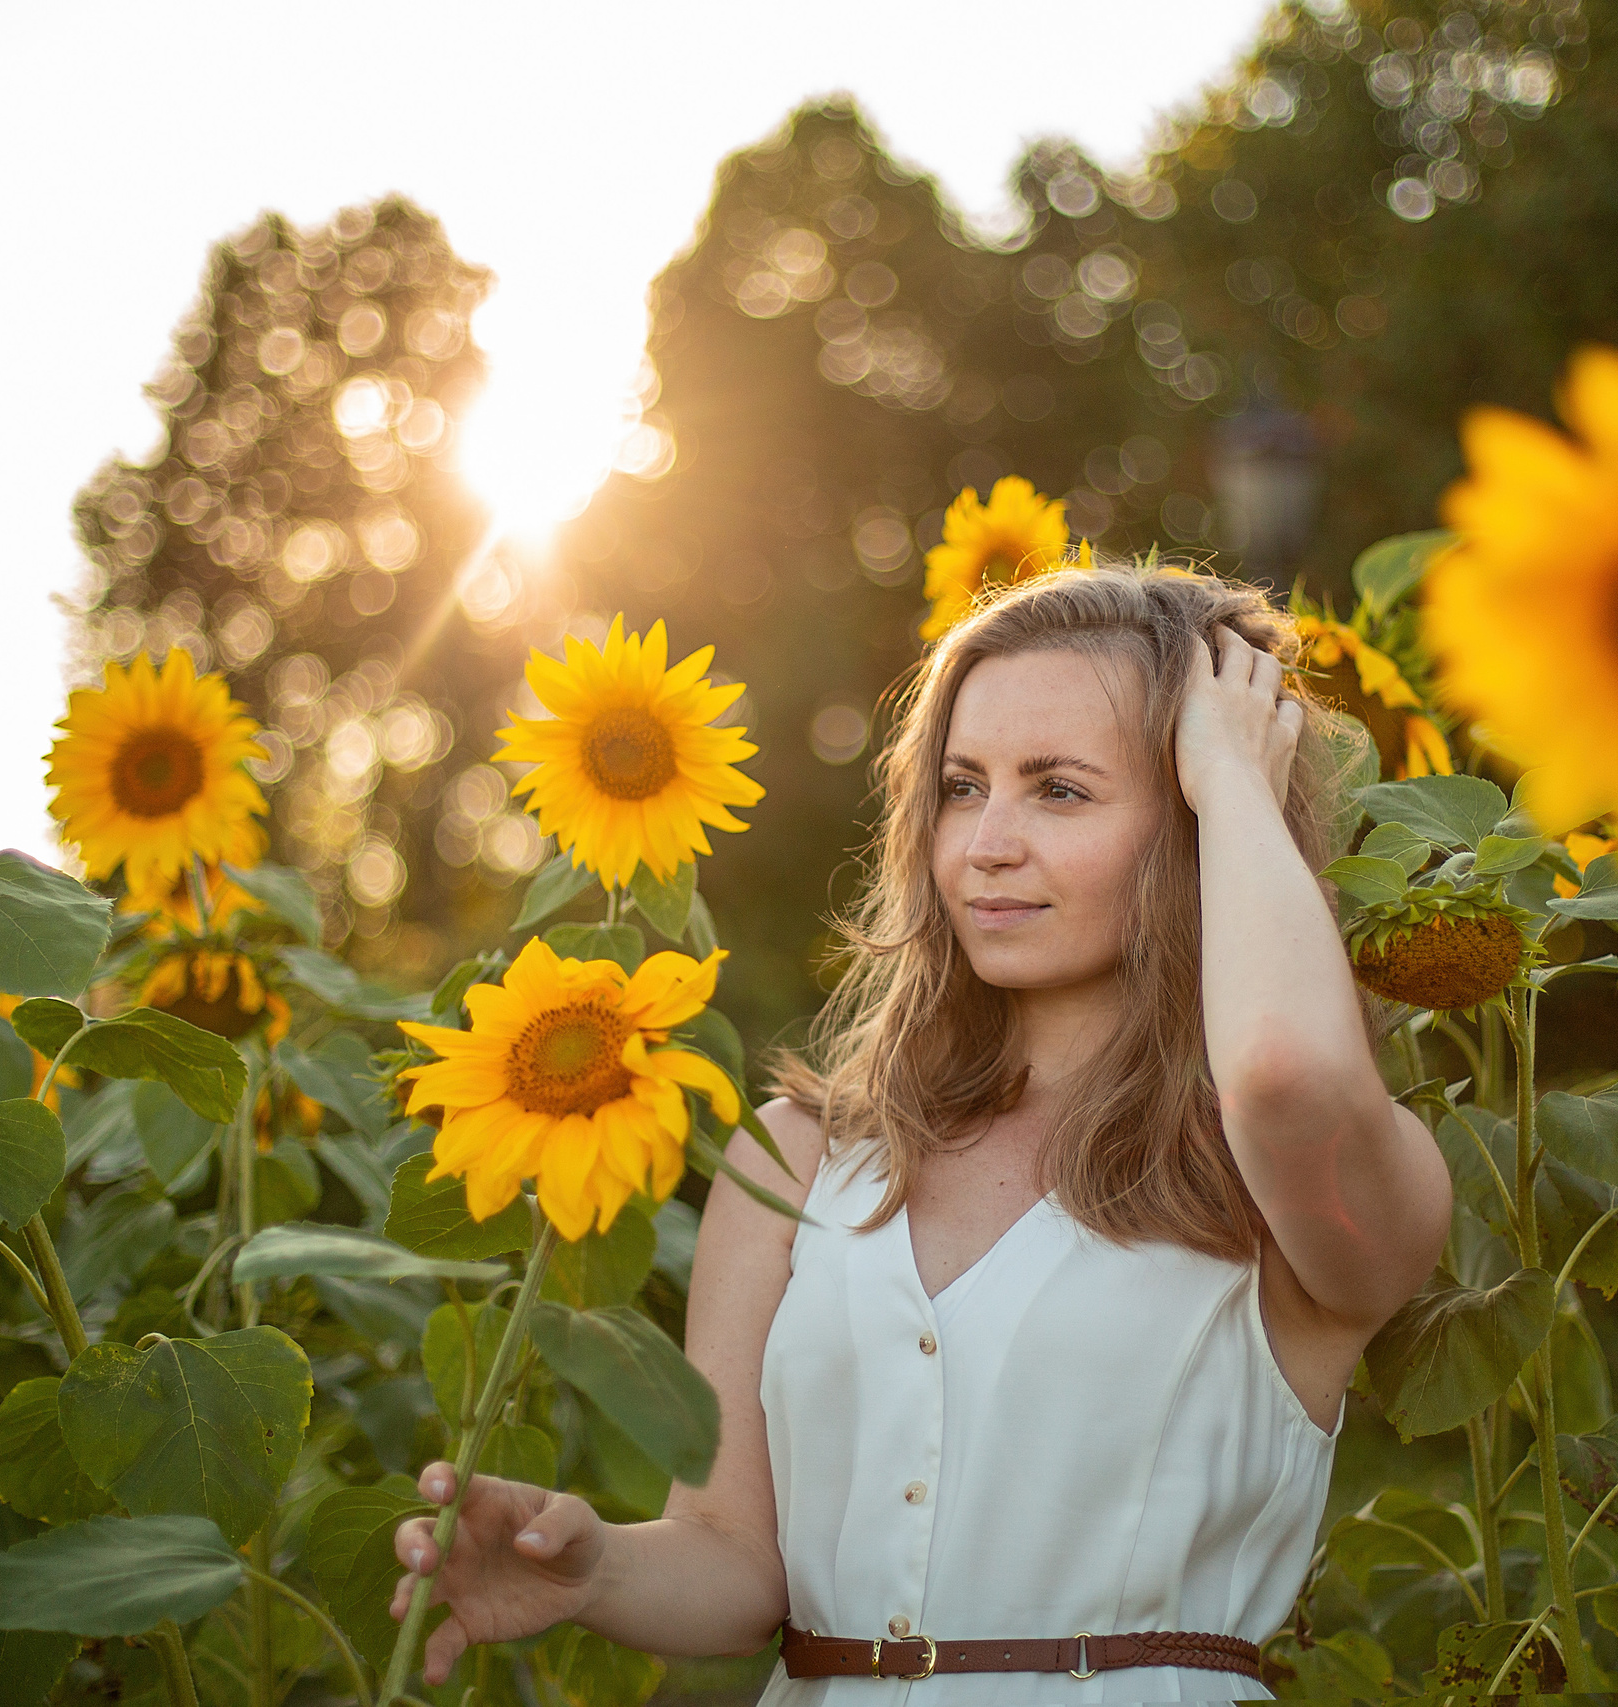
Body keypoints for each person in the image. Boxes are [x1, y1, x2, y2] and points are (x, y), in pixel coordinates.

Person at [391, 561, 1454, 1701]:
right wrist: (590, 1569)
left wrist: (1238, 785)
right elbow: (735, 1563)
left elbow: (1286, 1074)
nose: (986, 842)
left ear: (1192, 812)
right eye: (960, 785)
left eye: (1059, 790)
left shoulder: (1278, 1187)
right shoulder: (799, 1154)